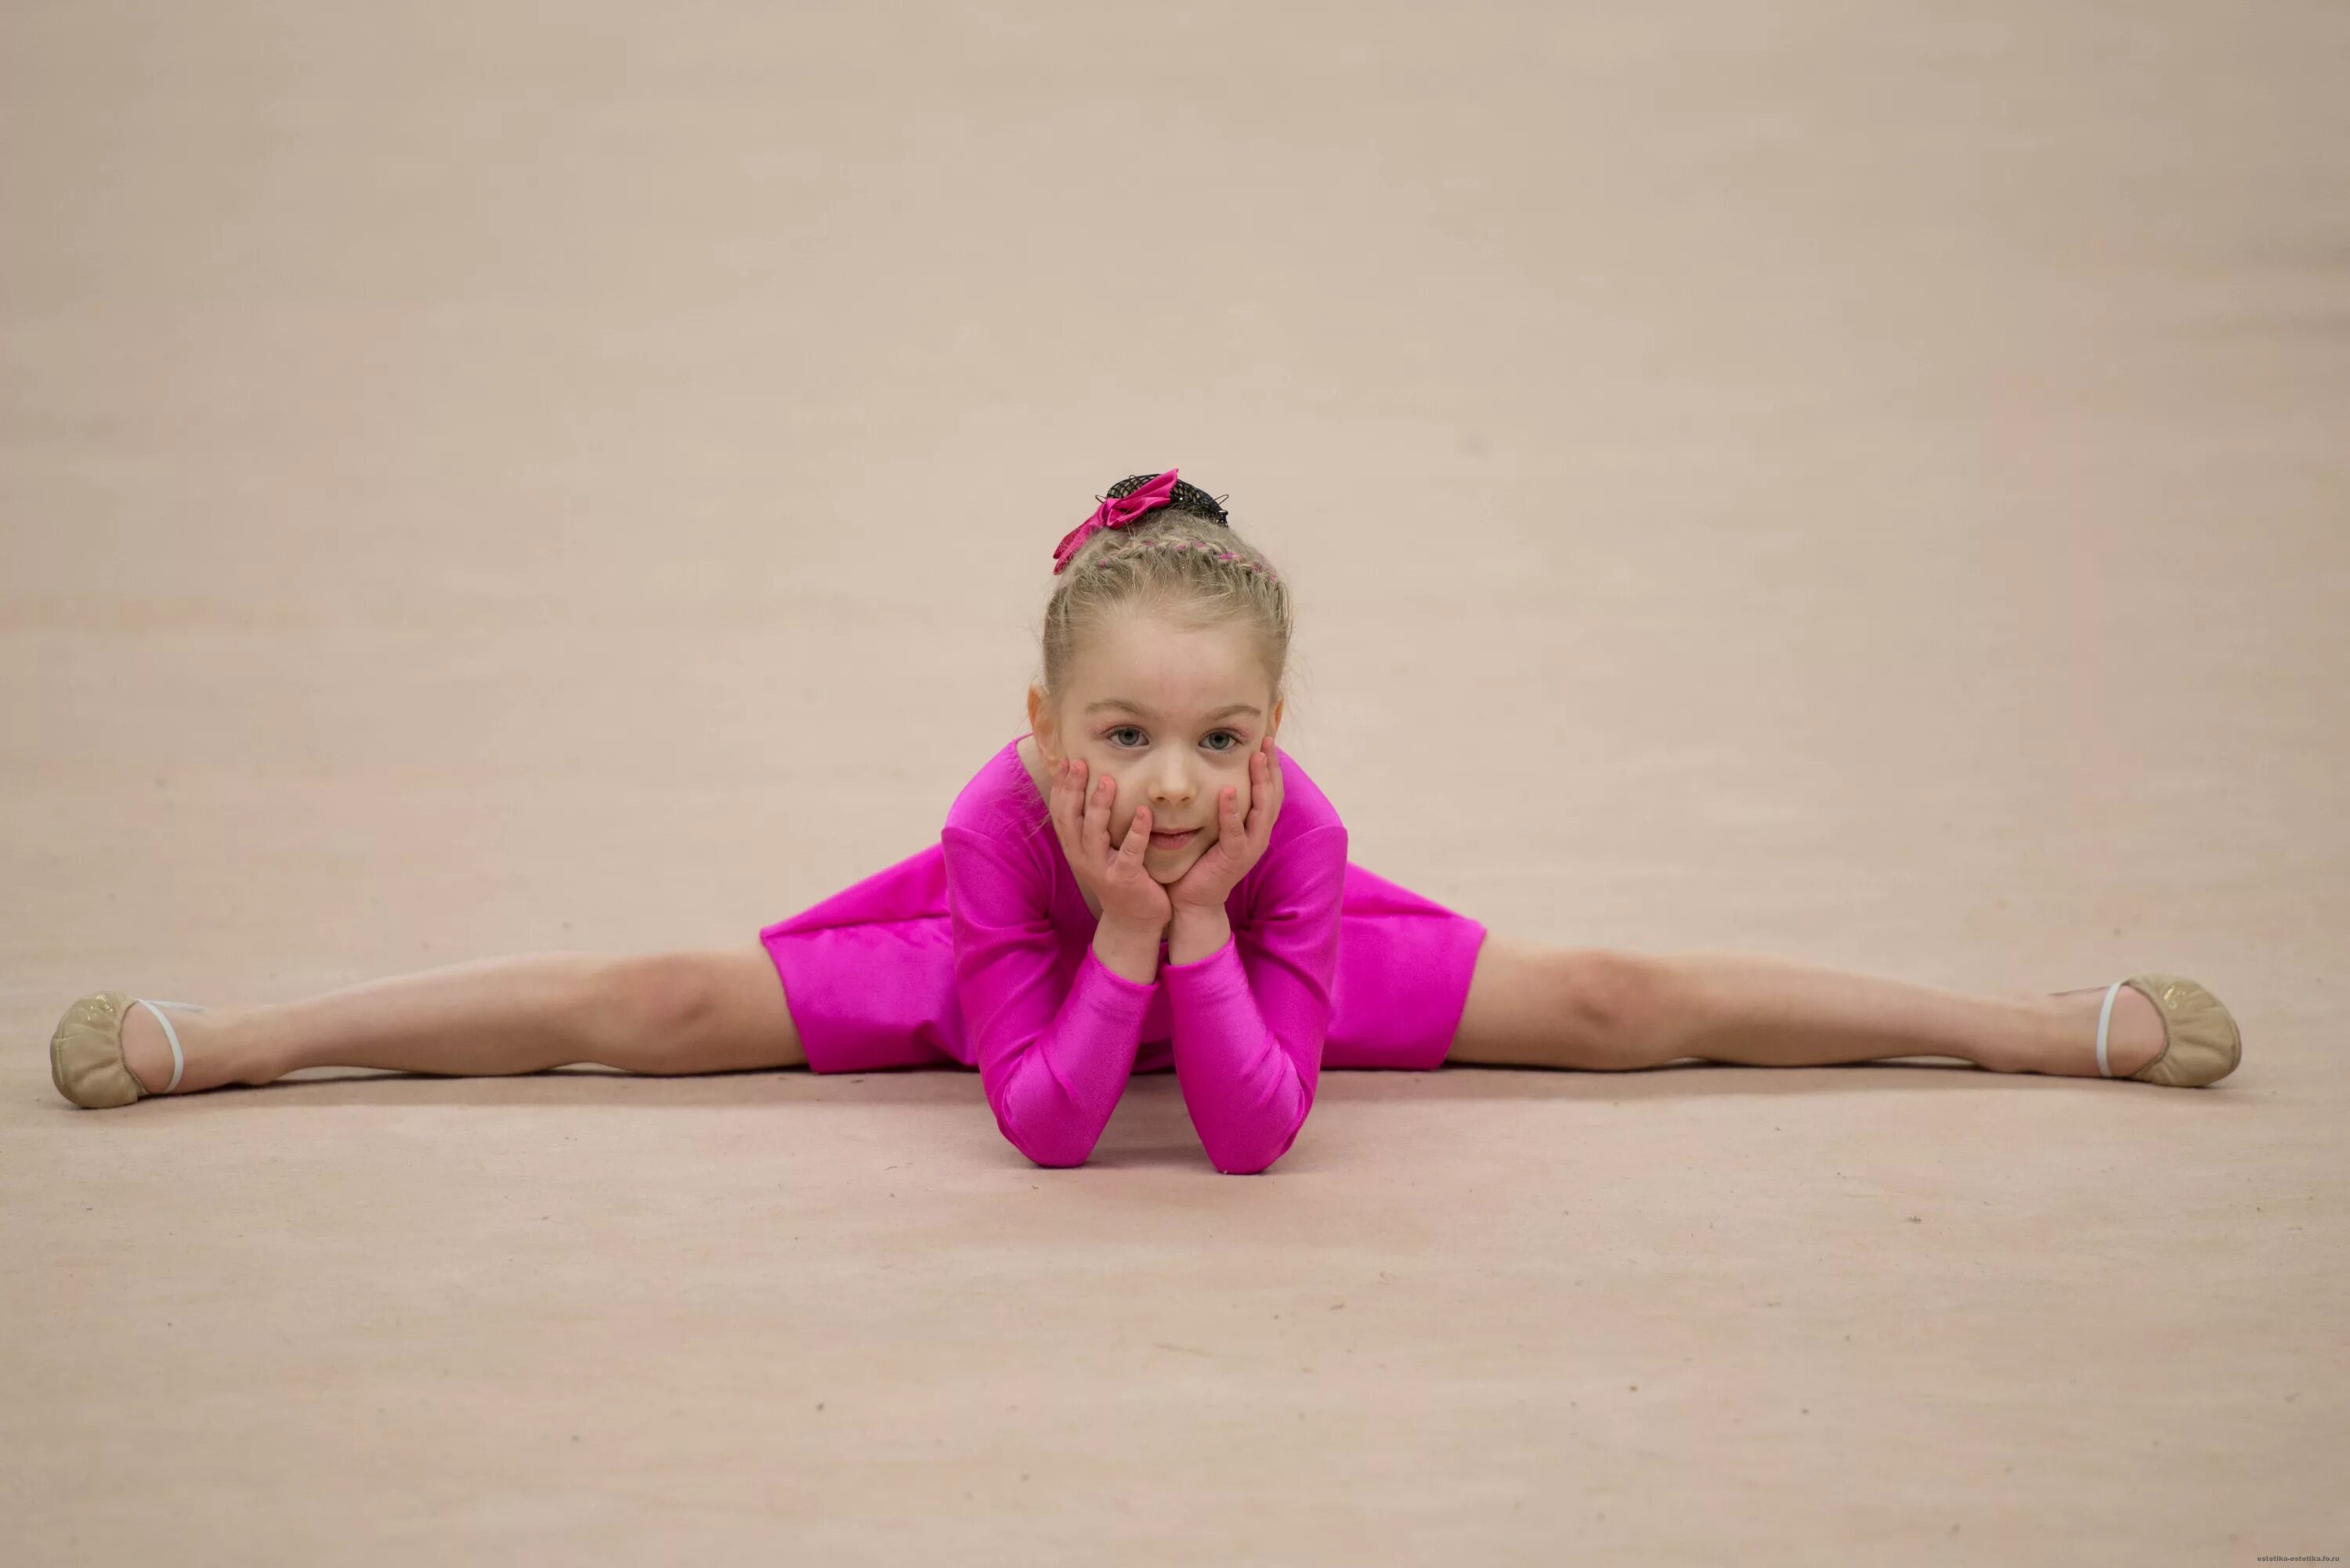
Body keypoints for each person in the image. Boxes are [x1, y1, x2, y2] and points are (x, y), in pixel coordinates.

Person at [49, 468, 2243, 1170]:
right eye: (1127, 733)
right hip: (980, 964)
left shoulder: (1293, 837)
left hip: (1285, 969)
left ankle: (2026, 1021)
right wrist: (1111, 932)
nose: (1172, 786)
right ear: (1040, 722)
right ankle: (237, 1031)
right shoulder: (1005, 825)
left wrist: (1202, 931)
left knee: (1620, 987)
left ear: (1276, 740)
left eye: (1220, 743)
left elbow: (1266, 1124)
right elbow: (1042, 1117)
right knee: (641, 991)